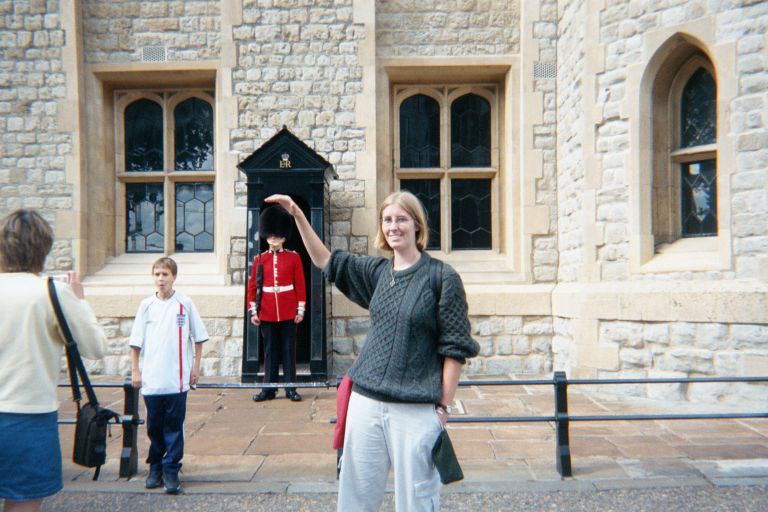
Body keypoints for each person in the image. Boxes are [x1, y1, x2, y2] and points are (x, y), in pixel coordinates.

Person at [264, 191, 479, 511]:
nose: (394, 226)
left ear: (417, 226)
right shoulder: (378, 272)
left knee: (417, 500)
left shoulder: (442, 278)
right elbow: (326, 260)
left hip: (415, 407)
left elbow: (454, 348)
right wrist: (297, 214)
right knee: (355, 497)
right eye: (388, 219)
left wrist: (443, 408)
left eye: (402, 219)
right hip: (366, 402)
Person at [0, 209, 106, 512]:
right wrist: (79, 300)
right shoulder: (52, 293)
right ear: (44, 249)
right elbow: (96, 347)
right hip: (28, 418)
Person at [129, 257, 209, 495]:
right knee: (154, 426)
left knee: (174, 426)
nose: (161, 279)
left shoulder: (184, 304)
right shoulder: (146, 306)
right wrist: (135, 369)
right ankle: (155, 466)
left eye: (165, 274)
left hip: (177, 378)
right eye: (157, 275)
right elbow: (136, 342)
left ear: (174, 276)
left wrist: (196, 367)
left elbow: (198, 338)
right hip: (153, 379)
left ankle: (171, 468)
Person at [247, 205, 307, 402]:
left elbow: (300, 284)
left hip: (289, 310)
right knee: (270, 350)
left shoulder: (294, 257)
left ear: (284, 236)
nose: (273, 237)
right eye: (270, 234)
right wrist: (254, 311)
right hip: (267, 311)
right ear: (266, 235)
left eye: (277, 234)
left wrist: (300, 309)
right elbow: (253, 287)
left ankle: (290, 388)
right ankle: (269, 388)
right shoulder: (259, 260)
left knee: (289, 350)